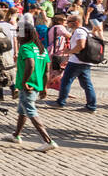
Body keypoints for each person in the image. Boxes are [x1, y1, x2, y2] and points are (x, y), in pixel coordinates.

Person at [7, 18, 57, 151]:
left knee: (30, 111)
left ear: (25, 35)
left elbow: (30, 64)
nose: (17, 36)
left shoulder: (25, 47)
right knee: (22, 111)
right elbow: (46, 71)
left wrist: (24, 81)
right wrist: (44, 87)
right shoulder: (42, 48)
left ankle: (48, 140)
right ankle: (16, 135)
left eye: (19, 33)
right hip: (37, 85)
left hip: (28, 85)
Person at [55, 14, 97, 111]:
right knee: (87, 84)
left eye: (69, 21)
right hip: (84, 61)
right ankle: (91, 106)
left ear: (76, 22)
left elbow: (81, 45)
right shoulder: (86, 30)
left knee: (66, 81)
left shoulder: (79, 31)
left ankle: (60, 102)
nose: (67, 23)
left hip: (77, 62)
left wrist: (69, 52)